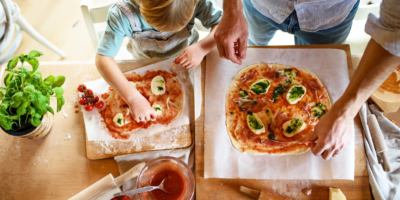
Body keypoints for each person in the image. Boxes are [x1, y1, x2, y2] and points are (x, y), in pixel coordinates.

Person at [214, 0, 400, 160]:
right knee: (253, 47)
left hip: (329, 17)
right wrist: (232, 9)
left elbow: (395, 30)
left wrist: (345, 113)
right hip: (261, 6)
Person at [95, 0, 222, 122]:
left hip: (190, 57)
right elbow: (103, 59)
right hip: (144, 61)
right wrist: (133, 98)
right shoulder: (121, 15)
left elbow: (221, 24)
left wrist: (203, 47)